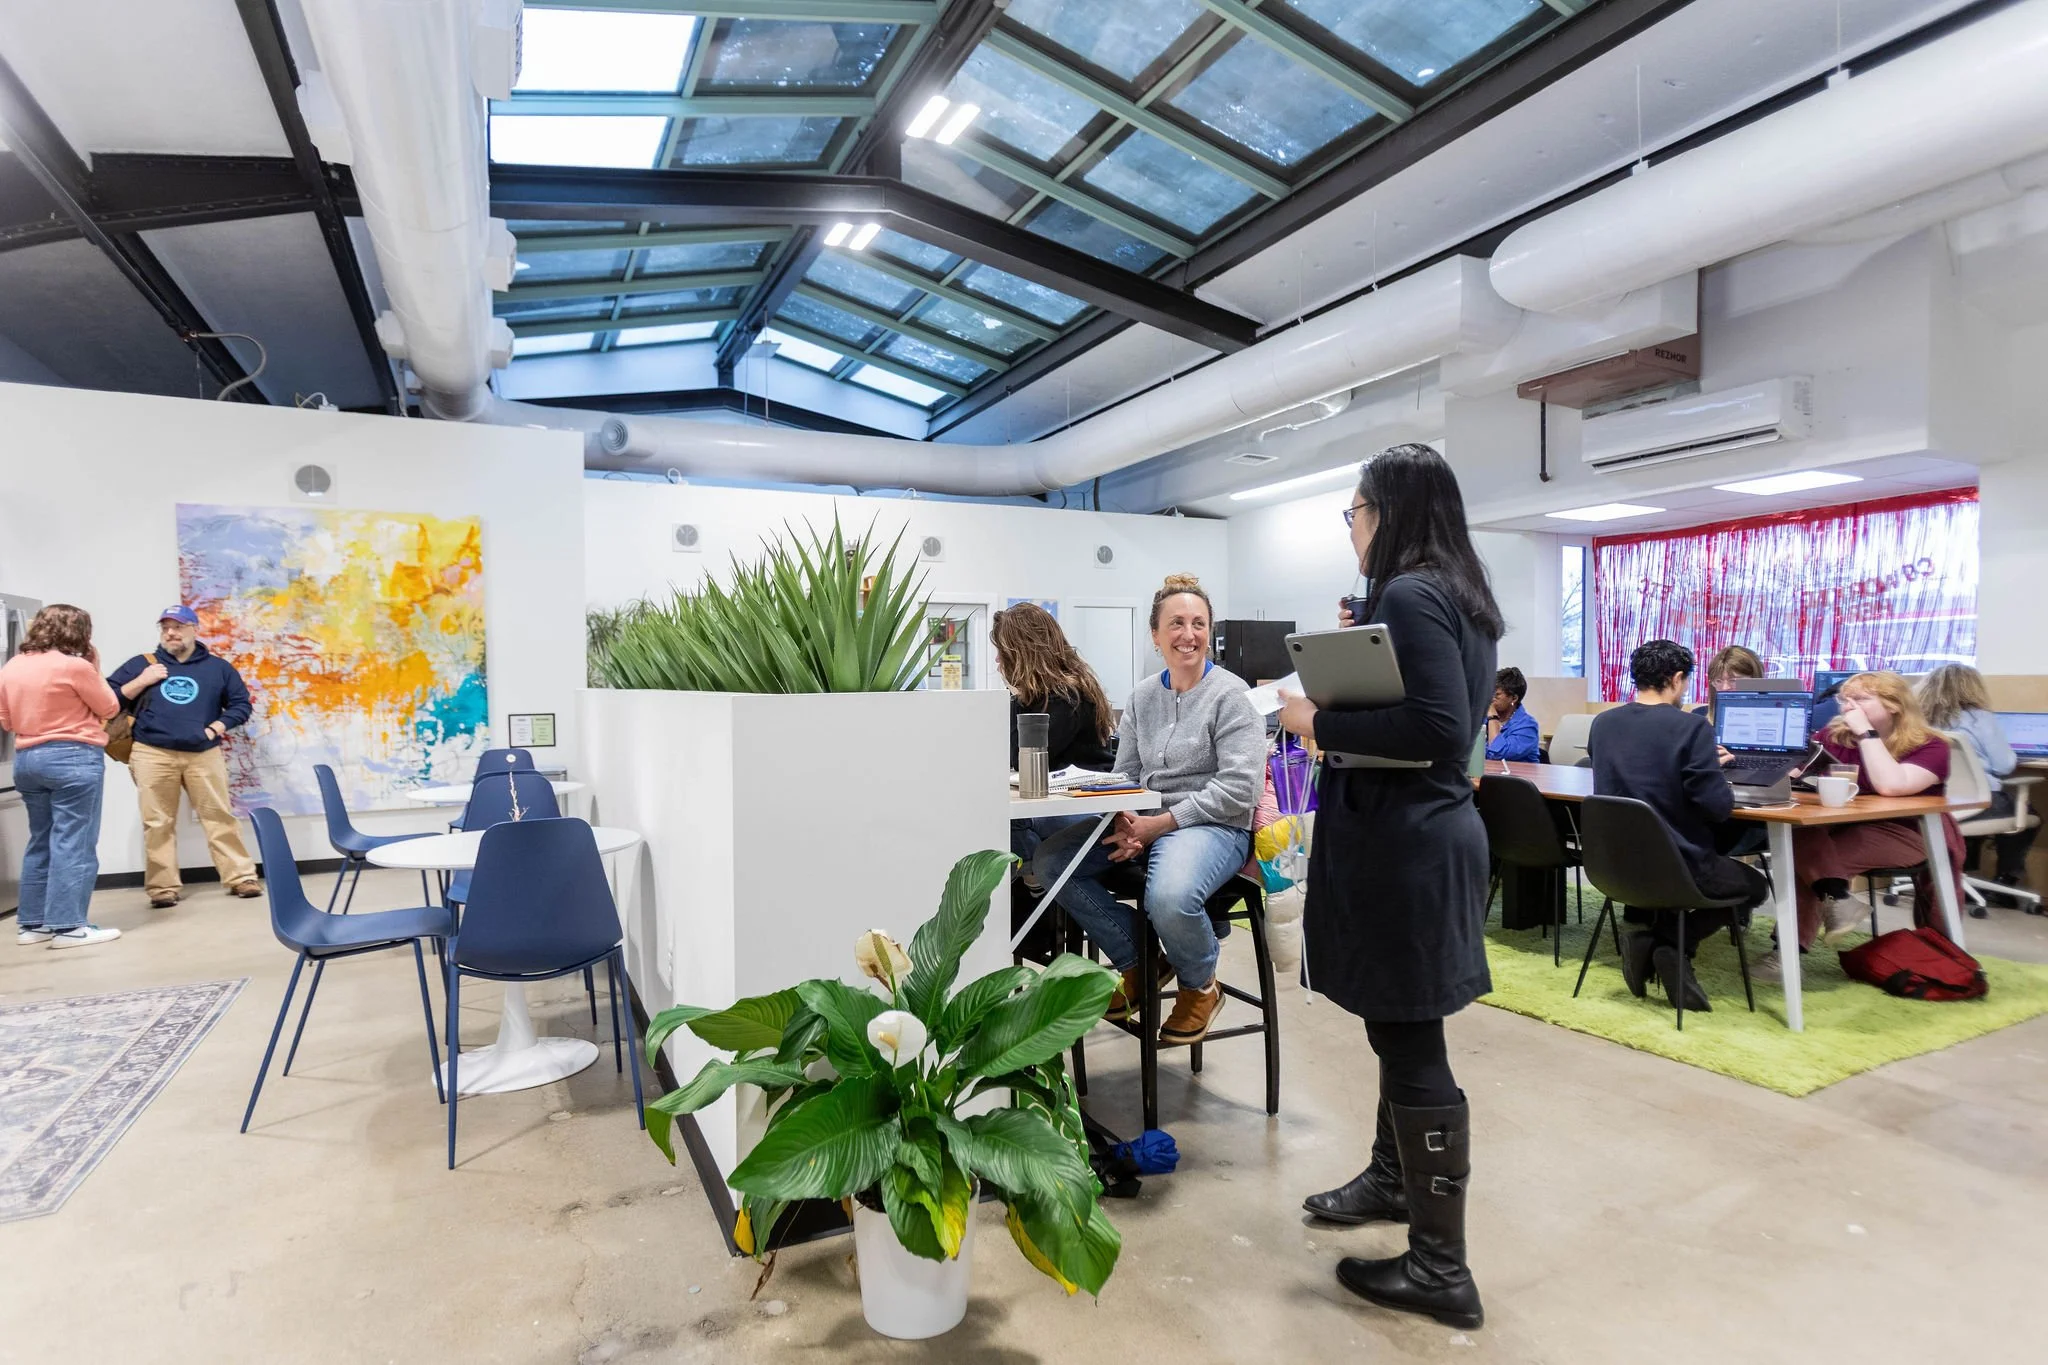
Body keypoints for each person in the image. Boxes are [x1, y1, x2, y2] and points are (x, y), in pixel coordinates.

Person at [1281, 443, 1496, 1332]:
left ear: (1389, 511)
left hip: (1406, 845)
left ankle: (1441, 1268)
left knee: (1410, 1042)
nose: (1354, 531)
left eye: (1356, 514)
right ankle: (1392, 1178)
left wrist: (1316, 718)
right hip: (1426, 836)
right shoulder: (1461, 595)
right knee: (1400, 1023)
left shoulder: (1410, 591)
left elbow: (1437, 727)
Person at [1029, 574, 1263, 1048]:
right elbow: (1127, 774)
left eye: (1199, 623)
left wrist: (1161, 824)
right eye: (1176, 623)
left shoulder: (1233, 695)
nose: (1188, 634)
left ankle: (1200, 985)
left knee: (1169, 897)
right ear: (1155, 635)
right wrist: (1125, 820)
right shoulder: (1141, 697)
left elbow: (1239, 788)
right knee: (1052, 862)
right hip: (1145, 820)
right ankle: (1140, 959)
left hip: (1212, 825)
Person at [1588, 640, 1771, 1010]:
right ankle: (1670, 943)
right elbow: (1717, 808)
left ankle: (1652, 940)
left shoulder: (1602, 724)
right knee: (1754, 886)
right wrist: (1713, 770)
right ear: (1676, 679)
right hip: (1680, 867)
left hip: (1614, 866)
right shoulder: (1690, 728)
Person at [1753, 670, 1952, 979]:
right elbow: (1802, 772)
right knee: (1797, 832)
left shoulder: (1933, 746)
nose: (1849, 707)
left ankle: (1786, 955)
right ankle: (1840, 900)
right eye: (1845, 700)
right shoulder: (1835, 735)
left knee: (1808, 865)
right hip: (1838, 825)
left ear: (1894, 705)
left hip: (1902, 832)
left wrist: (1867, 735)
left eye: (1860, 699)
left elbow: (1891, 786)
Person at [105, 606, 260, 907]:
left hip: (203, 754)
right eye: (165, 627)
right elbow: (109, 699)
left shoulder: (218, 669)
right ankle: (163, 887)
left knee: (219, 817)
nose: (170, 633)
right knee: (157, 822)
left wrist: (215, 728)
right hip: (152, 753)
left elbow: (241, 704)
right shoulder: (142, 664)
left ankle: (241, 878)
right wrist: (143, 680)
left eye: (178, 626)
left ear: (194, 630)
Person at [0, 605, 123, 948]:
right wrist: (94, 666)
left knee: (40, 841)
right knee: (75, 842)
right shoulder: (76, 666)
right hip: (73, 758)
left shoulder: (12, 666)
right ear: (80, 633)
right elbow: (110, 707)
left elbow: (6, 721)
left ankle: (33, 925)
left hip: (26, 760)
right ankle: (69, 927)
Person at [1919, 664, 2037, 895]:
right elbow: (2005, 765)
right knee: (2031, 815)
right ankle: (2006, 879)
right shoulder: (1980, 719)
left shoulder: (1919, 721)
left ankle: (1959, 875)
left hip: (1934, 803)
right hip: (1978, 802)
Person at [1483, 667, 1541, 763]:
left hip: (1517, 776)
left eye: (1496, 695)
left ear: (1514, 698)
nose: (1490, 698)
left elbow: (1497, 753)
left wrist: (1493, 717)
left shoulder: (1527, 726)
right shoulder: (1483, 719)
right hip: (1487, 775)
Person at [1694, 644, 1764, 716]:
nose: (1725, 688)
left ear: (1754, 679)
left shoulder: (1772, 715)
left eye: (1733, 680)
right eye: (1718, 681)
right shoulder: (1699, 716)